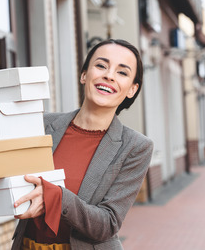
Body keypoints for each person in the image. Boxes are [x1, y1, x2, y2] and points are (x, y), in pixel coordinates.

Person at [11, 39, 154, 250]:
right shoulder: (41, 124)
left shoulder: (135, 147)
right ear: (84, 75)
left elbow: (107, 224)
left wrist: (57, 197)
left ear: (132, 89)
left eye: (122, 72)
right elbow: (11, 176)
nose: (109, 75)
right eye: (101, 66)